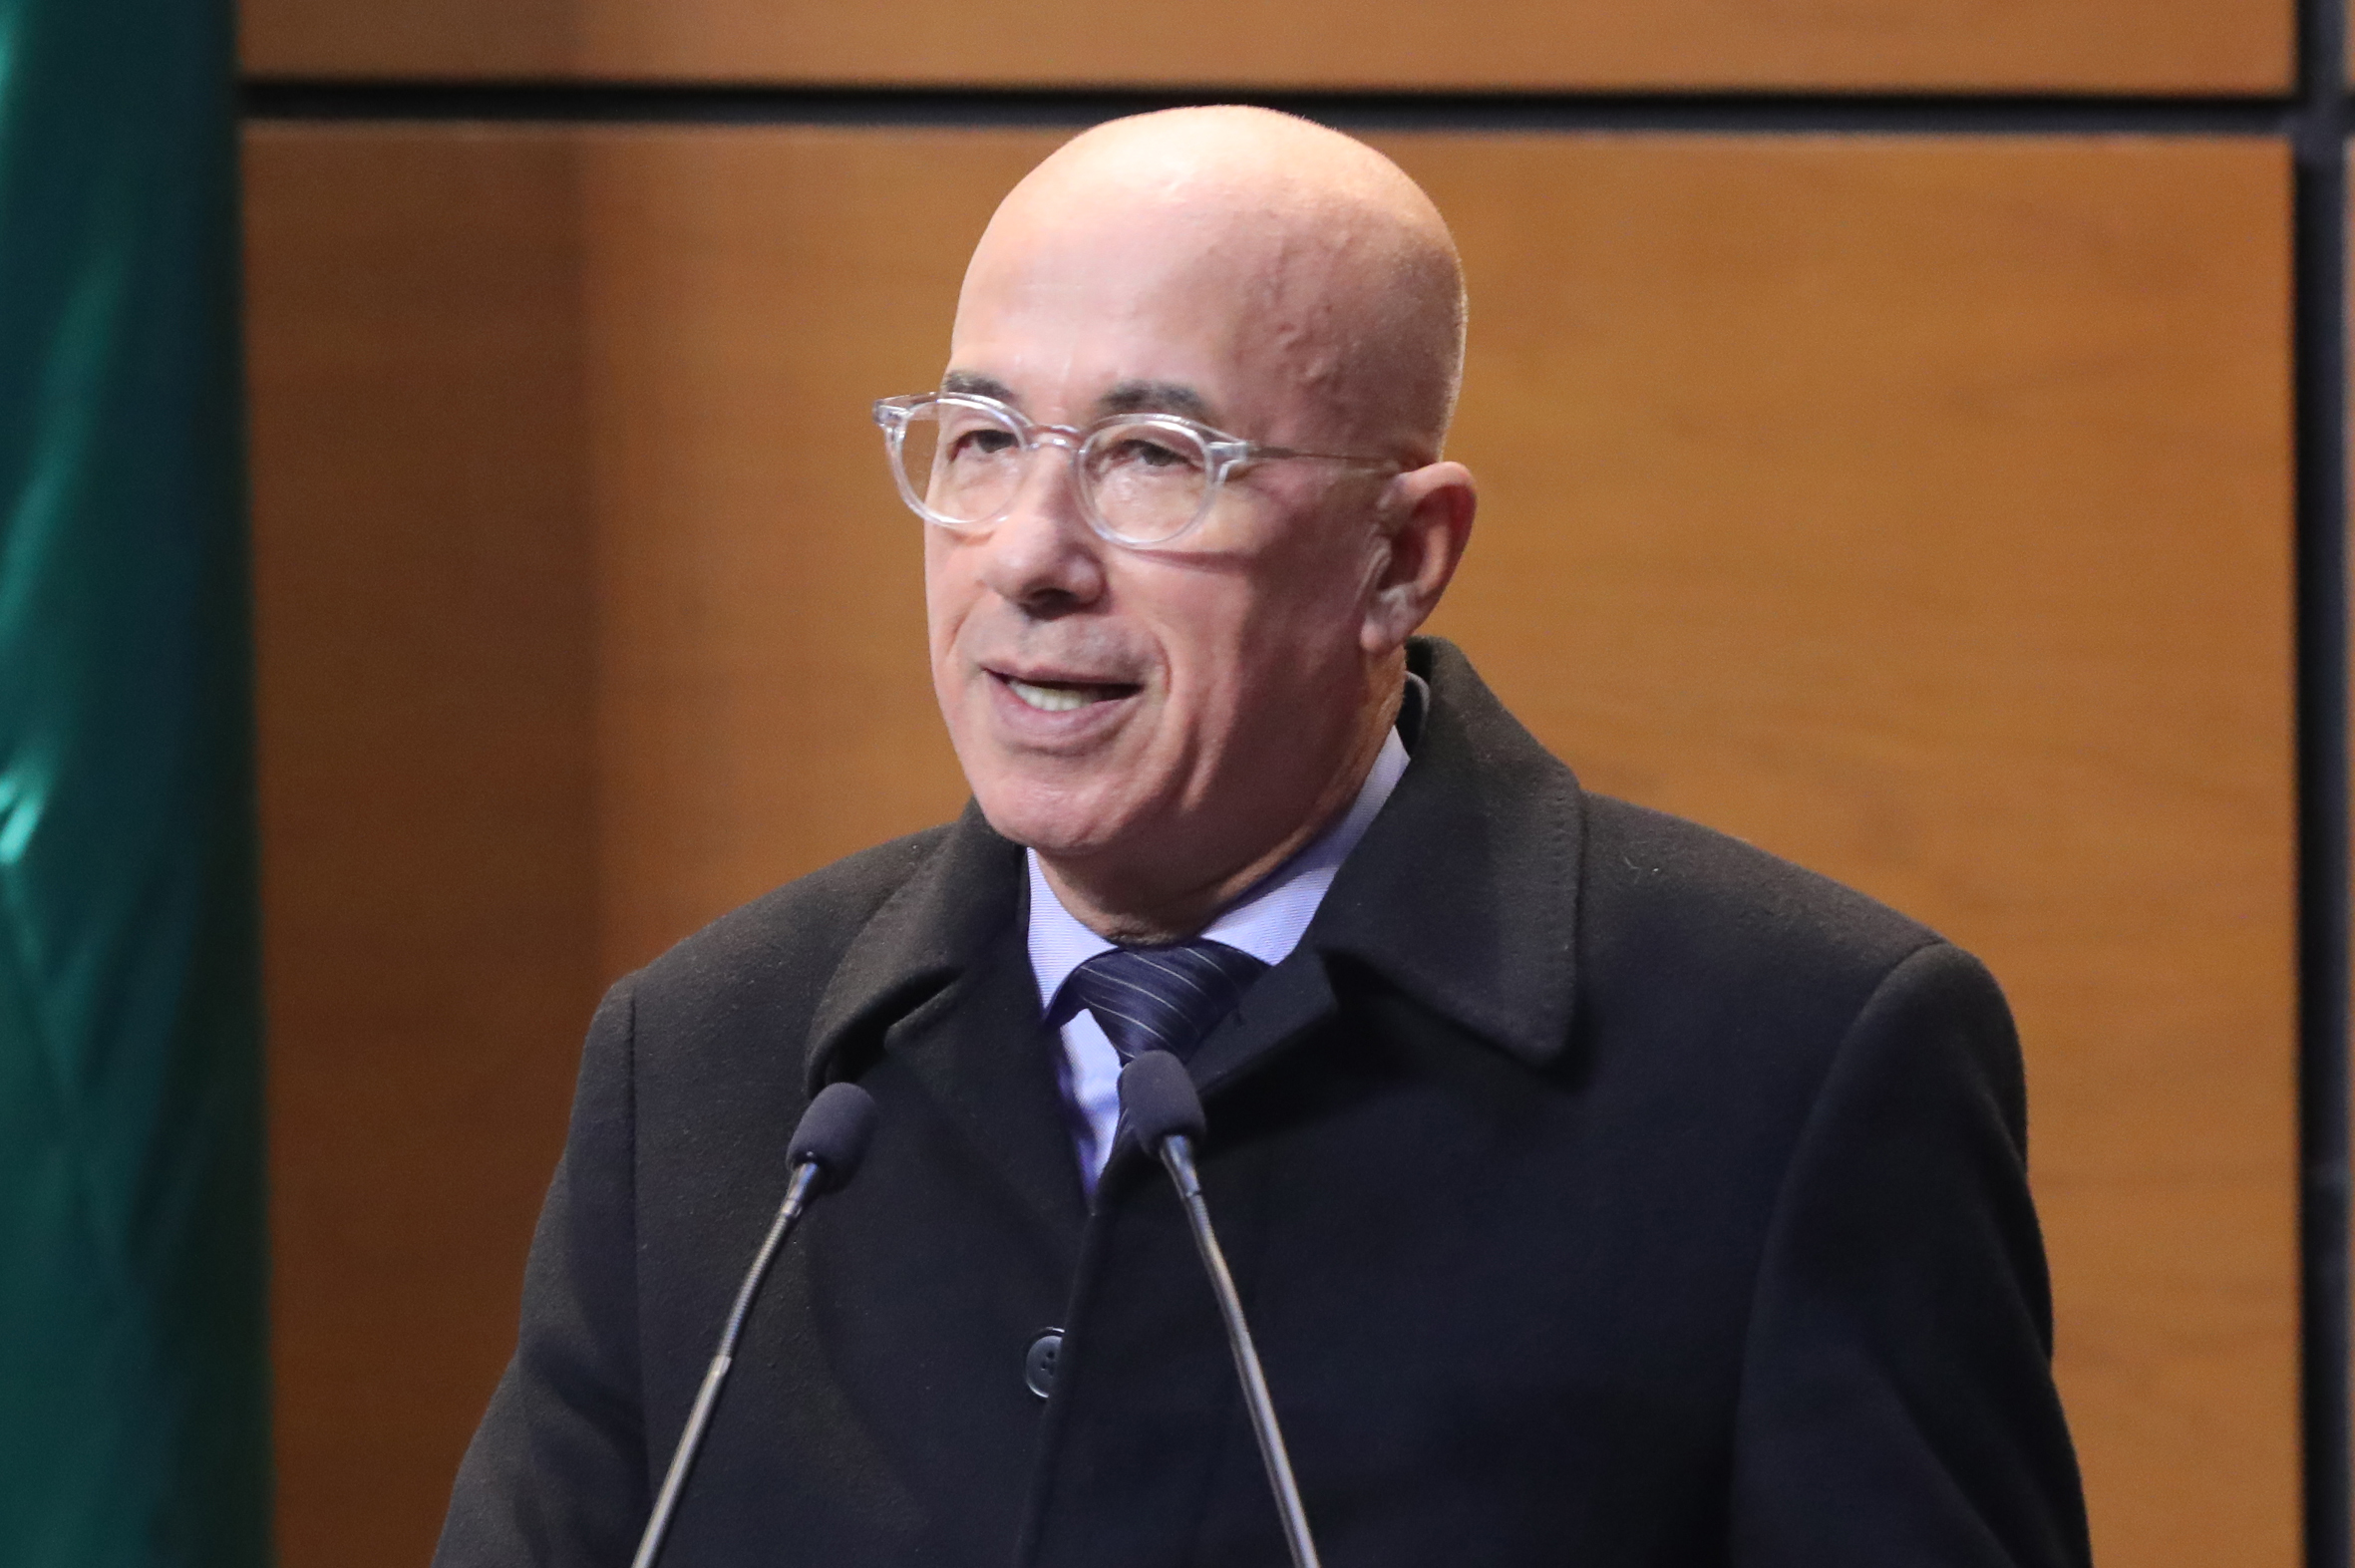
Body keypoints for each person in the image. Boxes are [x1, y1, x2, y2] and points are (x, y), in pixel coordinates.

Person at [435, 106, 2092, 1567]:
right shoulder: (714, 1064)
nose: (1028, 554)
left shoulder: (1788, 1067)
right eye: (985, 440)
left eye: (1154, 459)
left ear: (1400, 556)